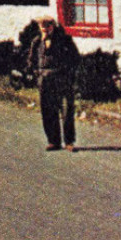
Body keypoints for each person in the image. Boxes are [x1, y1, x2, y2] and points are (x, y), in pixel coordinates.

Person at [22, 16, 79, 151]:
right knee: (48, 111)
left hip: (62, 80)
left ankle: (69, 142)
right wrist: (36, 73)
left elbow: (75, 58)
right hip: (45, 81)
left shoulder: (65, 40)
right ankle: (53, 141)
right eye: (43, 28)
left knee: (66, 111)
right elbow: (32, 61)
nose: (45, 30)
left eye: (48, 27)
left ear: (53, 26)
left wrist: (69, 75)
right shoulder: (36, 42)